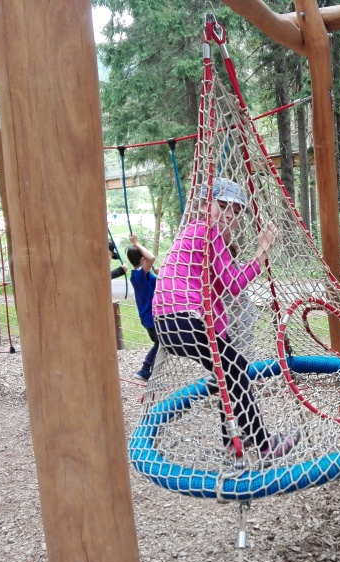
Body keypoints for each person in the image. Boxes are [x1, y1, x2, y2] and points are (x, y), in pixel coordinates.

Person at [153, 177, 297, 459]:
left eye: (236, 211)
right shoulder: (207, 231)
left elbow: (219, 291)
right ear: (205, 205)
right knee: (234, 369)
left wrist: (225, 338)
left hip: (169, 324)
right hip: (183, 316)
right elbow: (234, 283)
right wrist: (263, 251)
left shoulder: (197, 238)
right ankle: (265, 444)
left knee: (229, 370)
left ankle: (233, 440)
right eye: (222, 206)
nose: (229, 215)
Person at [126, 234, 158, 381]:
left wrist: (160, 274)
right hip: (150, 317)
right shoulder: (137, 276)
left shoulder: (146, 275)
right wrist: (136, 243)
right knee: (162, 343)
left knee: (162, 343)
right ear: (143, 260)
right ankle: (145, 370)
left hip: (153, 316)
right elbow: (152, 258)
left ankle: (148, 369)